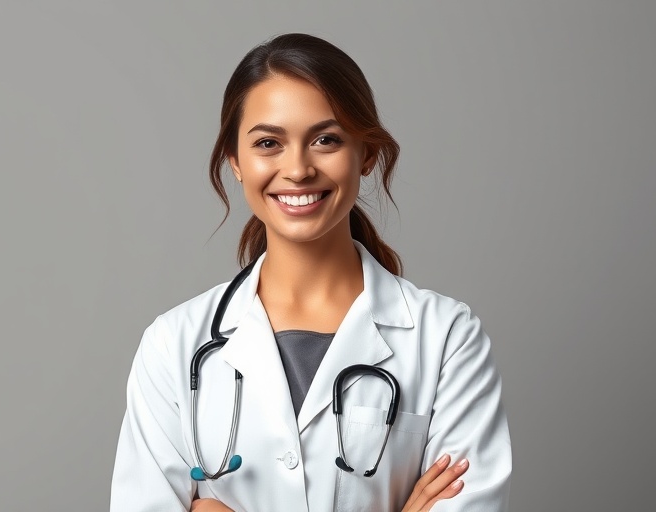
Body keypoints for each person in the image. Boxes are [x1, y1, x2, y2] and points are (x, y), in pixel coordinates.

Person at [111, 33, 511, 511]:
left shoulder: (446, 339)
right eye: (268, 143)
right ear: (235, 162)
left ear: (367, 154)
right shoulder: (173, 345)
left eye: (326, 139)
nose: (297, 169)